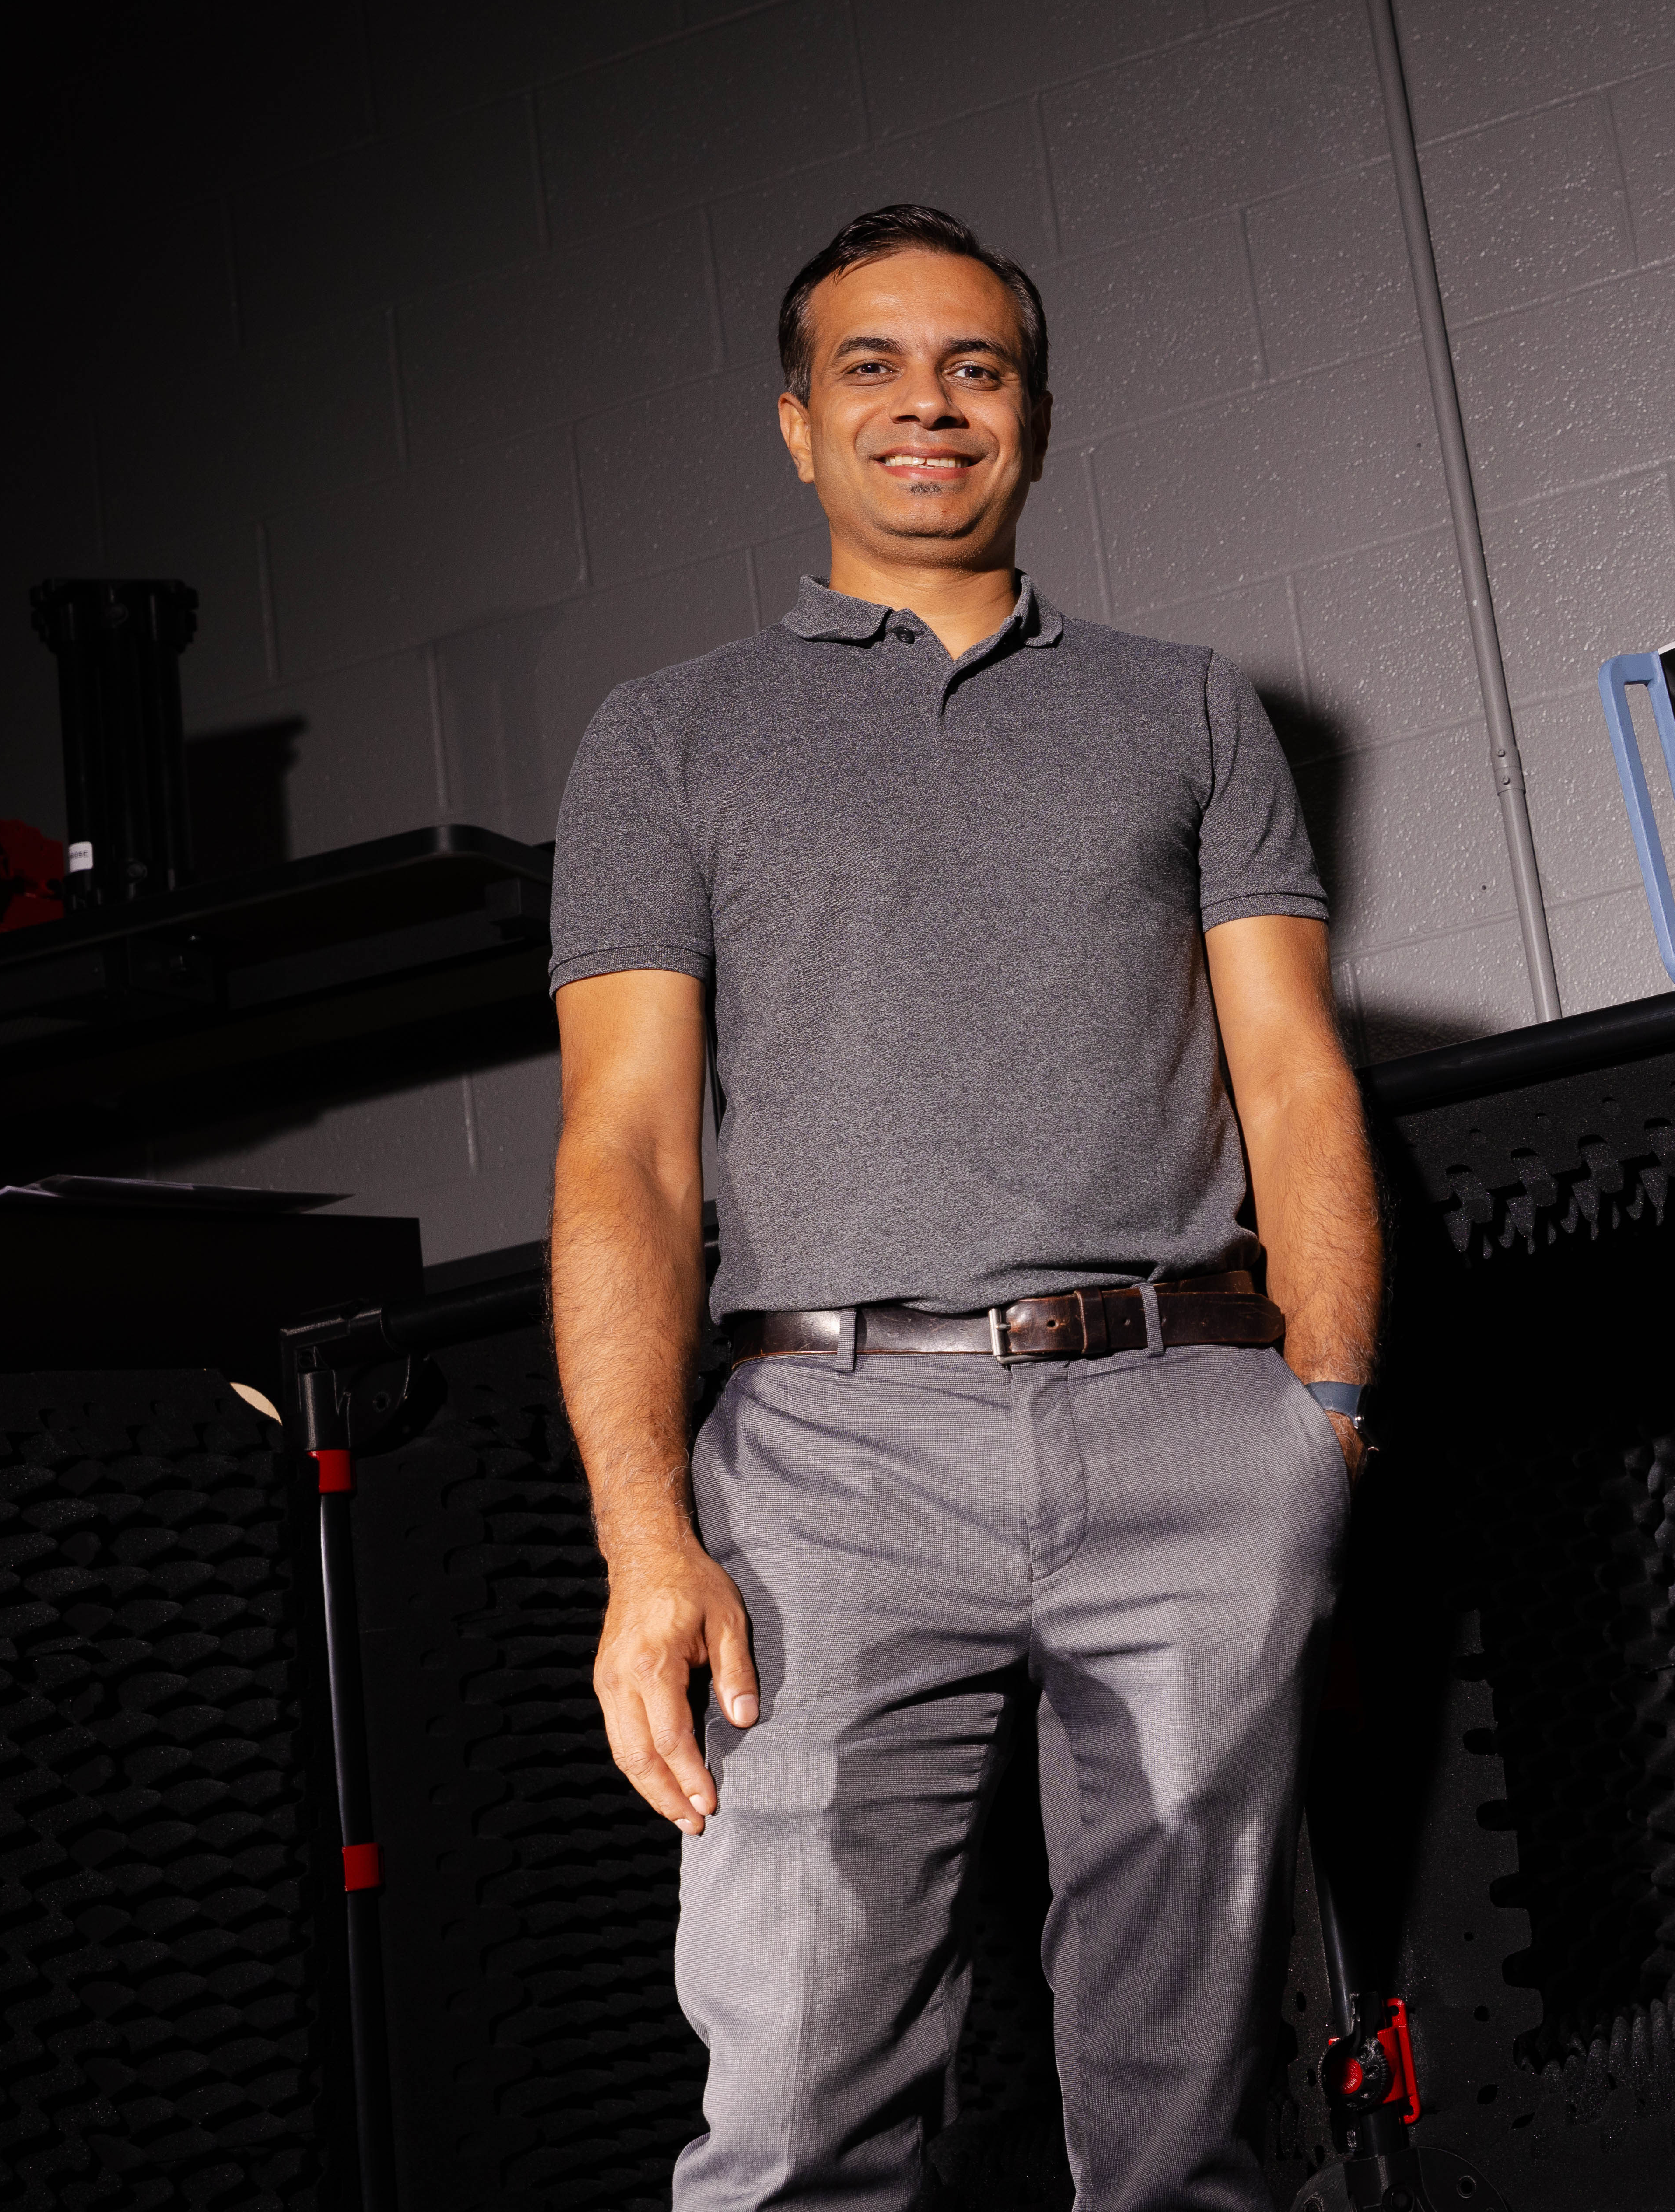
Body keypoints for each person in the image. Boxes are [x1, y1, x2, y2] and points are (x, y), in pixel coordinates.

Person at [544, 202, 1380, 2212]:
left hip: (1188, 1426)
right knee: (801, 2127)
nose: (928, 406)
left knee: (1194, 2129)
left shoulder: (1188, 709)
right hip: (828, 1460)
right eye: (874, 368)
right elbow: (628, 1147)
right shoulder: (665, 738)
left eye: (974, 368)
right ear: (795, 423)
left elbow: (1291, 1076)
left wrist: (1321, 1416)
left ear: (1036, 413)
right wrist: (646, 1538)